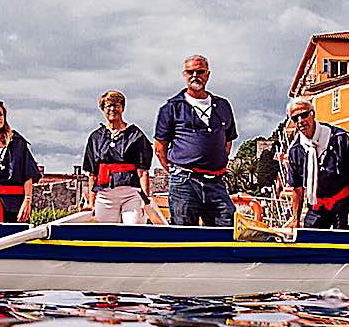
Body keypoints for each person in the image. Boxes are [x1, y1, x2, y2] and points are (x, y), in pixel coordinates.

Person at [152, 55, 237, 227]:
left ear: (208, 74)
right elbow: (160, 147)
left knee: (227, 226)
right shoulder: (171, 108)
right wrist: (175, 171)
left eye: (200, 71)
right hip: (184, 183)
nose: (195, 75)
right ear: (184, 75)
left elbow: (227, 141)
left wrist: (216, 160)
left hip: (216, 182)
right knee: (184, 235)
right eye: (190, 72)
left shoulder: (223, 106)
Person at [278, 99, 349, 230]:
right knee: (310, 241)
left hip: (343, 204)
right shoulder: (295, 151)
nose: (300, 121)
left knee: (344, 244)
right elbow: (297, 189)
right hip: (317, 206)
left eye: (304, 115)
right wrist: (295, 220)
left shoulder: (338, 138)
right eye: (295, 118)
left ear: (313, 114)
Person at [81, 92, 156, 224]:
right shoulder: (95, 137)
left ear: (122, 108)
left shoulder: (136, 135)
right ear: (103, 109)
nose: (112, 109)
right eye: (108, 106)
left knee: (133, 231)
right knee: (105, 235)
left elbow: (143, 171)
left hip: (131, 194)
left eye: (116, 105)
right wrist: (91, 203)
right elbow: (92, 173)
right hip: (105, 195)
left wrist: (146, 201)